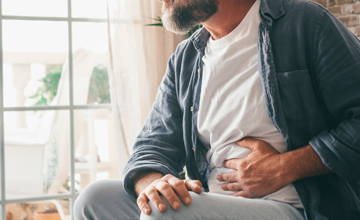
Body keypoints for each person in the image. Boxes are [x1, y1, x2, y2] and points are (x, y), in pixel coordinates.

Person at [74, 0, 360, 219]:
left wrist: (284, 167)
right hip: (211, 202)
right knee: (94, 198)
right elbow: (153, 144)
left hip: (293, 207)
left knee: (167, 212)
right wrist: (154, 183)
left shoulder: (307, 24)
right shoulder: (186, 58)